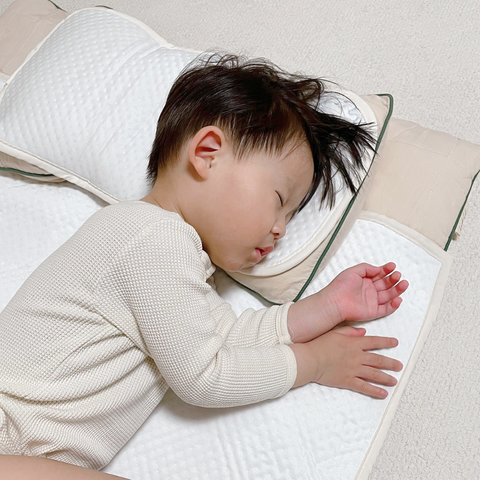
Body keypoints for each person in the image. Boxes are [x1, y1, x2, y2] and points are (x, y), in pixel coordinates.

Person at [0, 52, 409, 479]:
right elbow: (205, 376)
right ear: (207, 153)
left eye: (290, 217)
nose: (281, 230)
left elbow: (227, 340)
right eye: (278, 201)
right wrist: (313, 363)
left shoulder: (173, 260)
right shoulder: (148, 237)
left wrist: (328, 307)